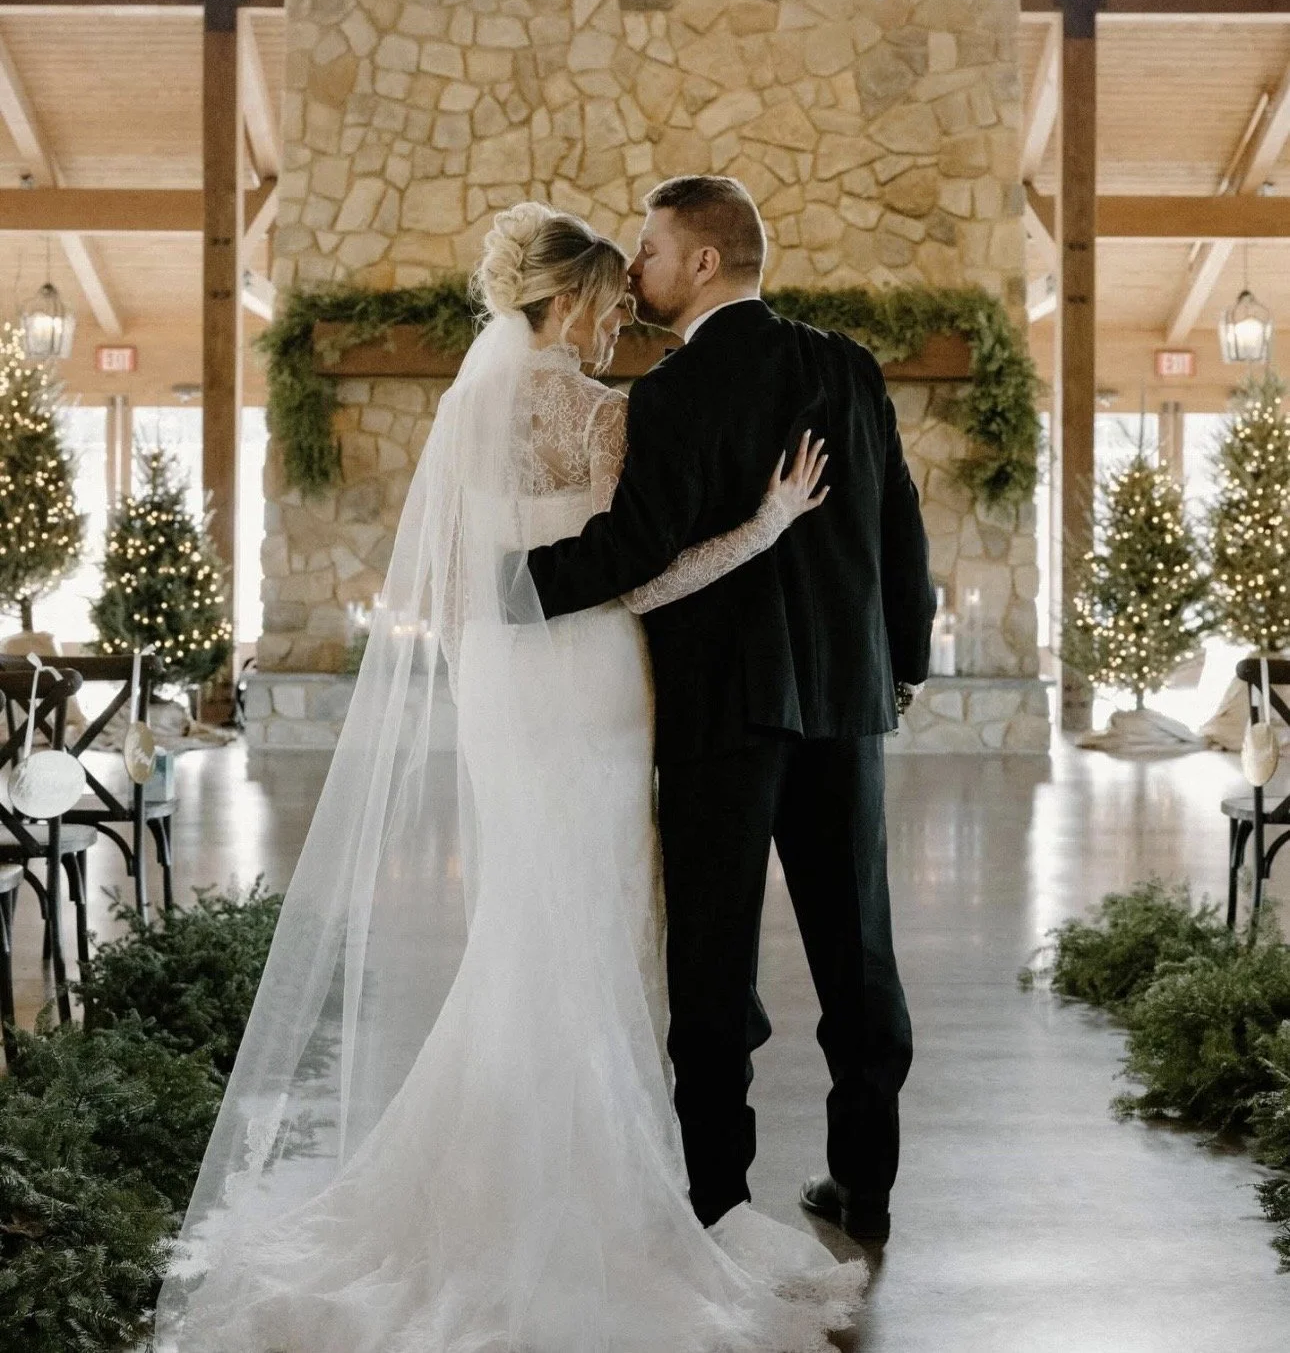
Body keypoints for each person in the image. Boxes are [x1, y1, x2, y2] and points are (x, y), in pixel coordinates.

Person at [155, 201, 867, 1353]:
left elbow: (440, 601)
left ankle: (509, 1165)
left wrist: (499, 649)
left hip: (501, 697)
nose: (618, 314)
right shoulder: (599, 412)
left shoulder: (463, 413)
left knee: (520, 924)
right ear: (575, 299)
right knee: (600, 920)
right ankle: (600, 1187)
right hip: (587, 685)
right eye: (607, 298)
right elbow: (633, 578)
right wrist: (767, 525)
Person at [526, 174, 936, 1244]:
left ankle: (719, 1201)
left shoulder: (675, 390)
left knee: (712, 965)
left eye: (654, 250)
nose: (641, 267)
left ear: (704, 261)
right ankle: (868, 1188)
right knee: (860, 956)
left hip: (721, 714)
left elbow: (637, 545)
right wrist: (904, 661)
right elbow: (901, 526)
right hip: (846, 703)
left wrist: (508, 589)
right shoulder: (848, 369)